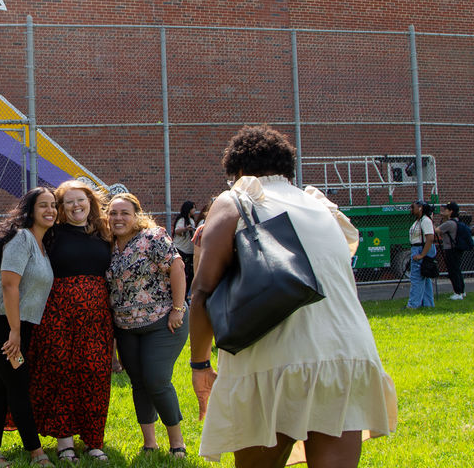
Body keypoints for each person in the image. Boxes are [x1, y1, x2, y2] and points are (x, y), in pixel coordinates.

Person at [189, 125, 397, 466]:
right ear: (287, 169)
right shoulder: (322, 207)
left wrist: (200, 365)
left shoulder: (236, 199)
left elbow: (202, 292)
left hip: (274, 356)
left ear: (237, 172)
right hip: (348, 354)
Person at [29, 180, 114, 462]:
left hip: (97, 319)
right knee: (62, 373)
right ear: (62, 208)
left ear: (90, 202)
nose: (77, 206)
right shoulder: (52, 234)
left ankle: (93, 440)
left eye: (81, 200)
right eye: (69, 202)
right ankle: (64, 442)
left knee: (95, 372)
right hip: (58, 316)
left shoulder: (104, 233)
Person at [0, 188, 57, 468]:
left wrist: (19, 328)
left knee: (0, 385)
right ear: (31, 211)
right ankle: (36, 454)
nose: (50, 210)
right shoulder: (22, 238)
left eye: (53, 205)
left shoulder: (43, 245)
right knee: (19, 382)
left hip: (19, 323)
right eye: (43, 205)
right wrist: (14, 331)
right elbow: (10, 286)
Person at [106, 193, 189, 458]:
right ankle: (149, 443)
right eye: (113, 213)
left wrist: (178, 308)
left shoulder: (152, 237)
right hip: (126, 327)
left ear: (137, 215)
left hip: (162, 321)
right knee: (139, 383)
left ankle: (177, 443)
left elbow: (177, 267)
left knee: (156, 379)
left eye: (124, 213)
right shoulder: (107, 246)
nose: (118, 218)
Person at [407, 200, 437, 309]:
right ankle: (428, 304)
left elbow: (430, 238)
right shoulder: (419, 221)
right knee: (425, 277)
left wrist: (422, 255)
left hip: (420, 249)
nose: (411, 210)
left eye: (413, 207)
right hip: (418, 248)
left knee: (416, 278)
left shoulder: (425, 221)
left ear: (420, 208)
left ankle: (413, 304)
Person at [437, 202, 467, 300]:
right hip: (456, 249)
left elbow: (436, 230)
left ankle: (457, 292)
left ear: (451, 212)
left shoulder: (449, 223)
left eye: (446, 209)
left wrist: (430, 219)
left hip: (451, 250)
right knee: (457, 270)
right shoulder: (457, 221)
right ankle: (461, 291)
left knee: (453, 271)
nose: (443, 211)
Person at [172, 200, 196, 299]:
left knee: (190, 275)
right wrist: (186, 229)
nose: (195, 210)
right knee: (183, 274)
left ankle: (185, 296)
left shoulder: (192, 220)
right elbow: (177, 230)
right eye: (193, 208)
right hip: (182, 250)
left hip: (190, 251)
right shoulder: (182, 220)